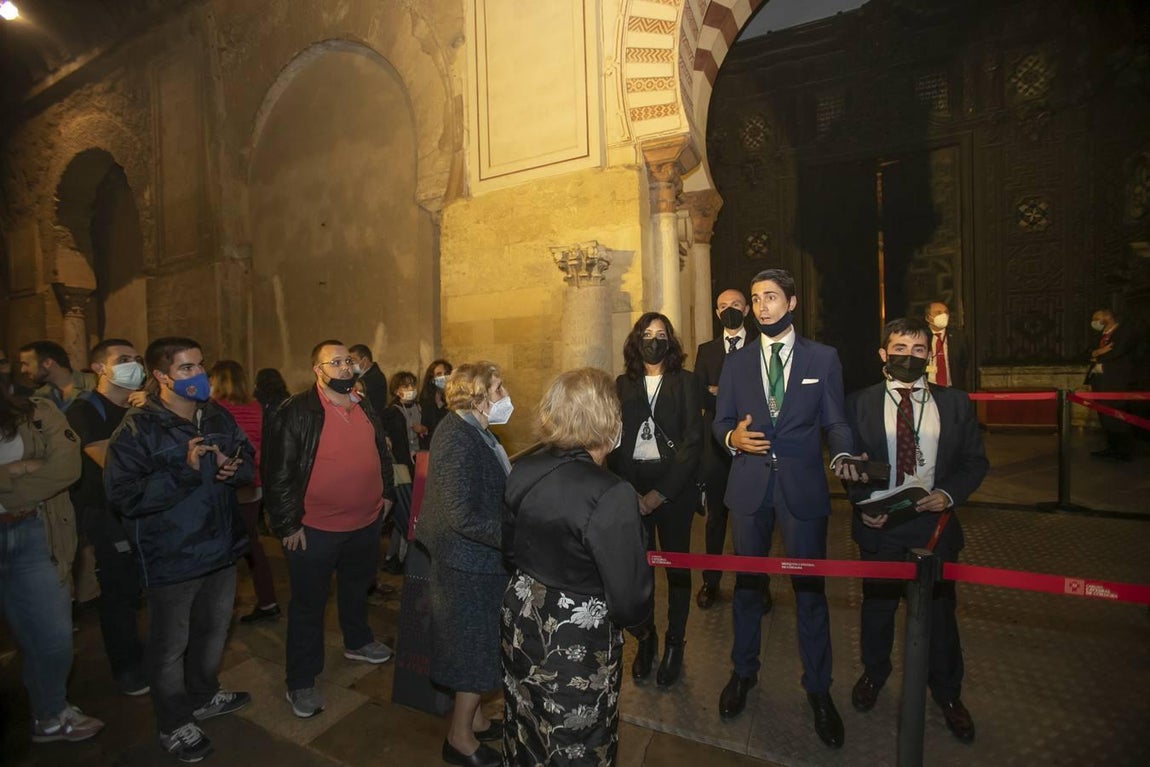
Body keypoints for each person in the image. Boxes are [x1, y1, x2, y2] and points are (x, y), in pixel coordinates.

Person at [712, 268, 853, 748]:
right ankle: (742, 673)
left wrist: (842, 453)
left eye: (771, 297)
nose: (761, 306)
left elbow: (836, 421)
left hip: (802, 489)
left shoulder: (823, 358)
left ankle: (818, 689)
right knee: (747, 588)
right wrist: (732, 438)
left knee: (809, 593)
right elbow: (721, 422)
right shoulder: (736, 363)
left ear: (791, 303)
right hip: (749, 489)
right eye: (755, 299)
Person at [838, 317, 989, 743]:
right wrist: (862, 504)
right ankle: (874, 673)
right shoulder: (858, 403)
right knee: (877, 609)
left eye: (918, 350)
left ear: (928, 356)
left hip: (933, 524)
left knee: (940, 615)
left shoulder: (955, 403)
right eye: (900, 349)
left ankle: (948, 693)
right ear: (883, 354)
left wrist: (948, 494)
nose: (909, 357)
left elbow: (975, 462)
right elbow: (849, 463)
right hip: (881, 523)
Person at [104, 336, 254, 763]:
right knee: (170, 647)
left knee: (212, 633)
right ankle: (173, 722)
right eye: (187, 368)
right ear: (161, 376)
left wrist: (234, 467)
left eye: (200, 365)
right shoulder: (138, 429)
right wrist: (183, 472)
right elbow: (123, 495)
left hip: (220, 548)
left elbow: (246, 457)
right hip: (171, 556)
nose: (199, 374)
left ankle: (203, 695)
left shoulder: (216, 414)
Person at [502, 368, 653, 766]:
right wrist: (643, 628)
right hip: (573, 639)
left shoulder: (523, 468)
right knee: (576, 735)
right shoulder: (612, 493)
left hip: (522, 616)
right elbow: (629, 599)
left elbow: (509, 548)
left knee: (526, 722)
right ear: (608, 418)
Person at [263, 340, 396, 721]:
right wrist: (287, 523)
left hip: (365, 523)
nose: (344, 367)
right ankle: (301, 680)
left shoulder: (362, 404)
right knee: (309, 606)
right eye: (334, 362)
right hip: (315, 529)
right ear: (317, 371)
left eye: (348, 361)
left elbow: (380, 452)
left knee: (356, 588)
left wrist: (386, 494)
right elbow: (277, 470)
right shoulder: (296, 410)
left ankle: (357, 641)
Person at [416, 361, 512, 767]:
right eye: (498, 388)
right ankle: (459, 739)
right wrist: (513, 537)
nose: (505, 395)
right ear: (478, 396)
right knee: (473, 650)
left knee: (478, 644)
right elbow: (461, 515)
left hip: (475, 560)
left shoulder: (475, 430)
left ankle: (474, 720)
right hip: (466, 562)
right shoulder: (458, 436)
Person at [0, 388, 105, 744]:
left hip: (34, 532)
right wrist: (16, 470)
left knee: (53, 637)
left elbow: (66, 467)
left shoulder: (37, 411)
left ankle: (50, 713)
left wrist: (9, 491)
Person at [608, 312, 702, 688]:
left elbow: (693, 442)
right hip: (632, 489)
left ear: (670, 342)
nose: (654, 340)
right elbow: (614, 439)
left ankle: (675, 643)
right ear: (637, 340)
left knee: (677, 570)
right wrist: (630, 490)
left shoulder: (686, 382)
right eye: (647, 334)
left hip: (673, 490)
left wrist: (660, 493)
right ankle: (646, 639)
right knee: (639, 572)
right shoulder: (622, 384)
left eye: (661, 335)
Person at [64, 339, 149, 696]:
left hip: (144, 509)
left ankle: (155, 655)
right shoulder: (85, 410)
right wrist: (139, 418)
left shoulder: (141, 405)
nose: (134, 365)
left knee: (149, 586)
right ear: (100, 368)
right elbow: (109, 461)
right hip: (107, 513)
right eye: (123, 359)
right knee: (119, 590)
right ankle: (127, 667)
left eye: (137, 359)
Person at [694, 289, 770, 612]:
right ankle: (711, 582)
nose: (729, 310)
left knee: (753, 519)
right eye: (723, 306)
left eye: (736, 305)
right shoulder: (706, 350)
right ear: (716, 312)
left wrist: (720, 390)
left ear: (747, 309)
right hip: (716, 448)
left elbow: (763, 393)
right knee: (716, 520)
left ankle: (756, 584)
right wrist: (725, 394)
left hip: (752, 444)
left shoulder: (760, 346)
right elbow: (700, 394)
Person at [210, 360, 280, 623]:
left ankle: (220, 611)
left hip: (226, 484)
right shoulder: (255, 406)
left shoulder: (215, 409)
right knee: (252, 544)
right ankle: (268, 600)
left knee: (223, 549)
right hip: (253, 483)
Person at [379, 371, 424, 574]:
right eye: (405, 386)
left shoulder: (419, 407)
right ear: (396, 390)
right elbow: (390, 439)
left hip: (419, 464)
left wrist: (424, 431)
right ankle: (397, 558)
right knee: (405, 515)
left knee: (411, 514)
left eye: (412, 385)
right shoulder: (391, 412)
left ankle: (399, 557)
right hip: (402, 468)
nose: (410, 389)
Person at [1087, 308, 1138, 461]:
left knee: (1117, 415)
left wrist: (1098, 354)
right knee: (1104, 416)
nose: (1094, 322)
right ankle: (1112, 446)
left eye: (1097, 318)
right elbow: (1088, 351)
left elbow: (1117, 351)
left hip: (1116, 380)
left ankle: (1124, 450)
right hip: (1099, 380)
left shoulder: (1123, 332)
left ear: (1107, 316)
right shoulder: (1099, 334)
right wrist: (1097, 352)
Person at [18, 340, 97, 410]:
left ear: (47, 363)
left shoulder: (95, 384)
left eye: (26, 364)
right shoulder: (40, 397)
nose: (22, 370)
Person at [924, 302, 969, 390]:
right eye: (938, 313)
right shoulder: (921, 336)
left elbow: (965, 362)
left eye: (946, 312)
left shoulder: (958, 337)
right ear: (928, 318)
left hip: (952, 389)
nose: (944, 315)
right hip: (927, 389)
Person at [418, 358, 453, 449]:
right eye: (439, 374)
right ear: (432, 378)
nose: (443, 377)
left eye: (446, 373)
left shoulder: (454, 399)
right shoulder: (425, 400)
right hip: (429, 447)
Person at [349, 344, 389, 419]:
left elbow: (357, 387)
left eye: (353, 361)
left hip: (373, 419)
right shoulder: (357, 375)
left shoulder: (376, 376)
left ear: (364, 360)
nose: (350, 364)